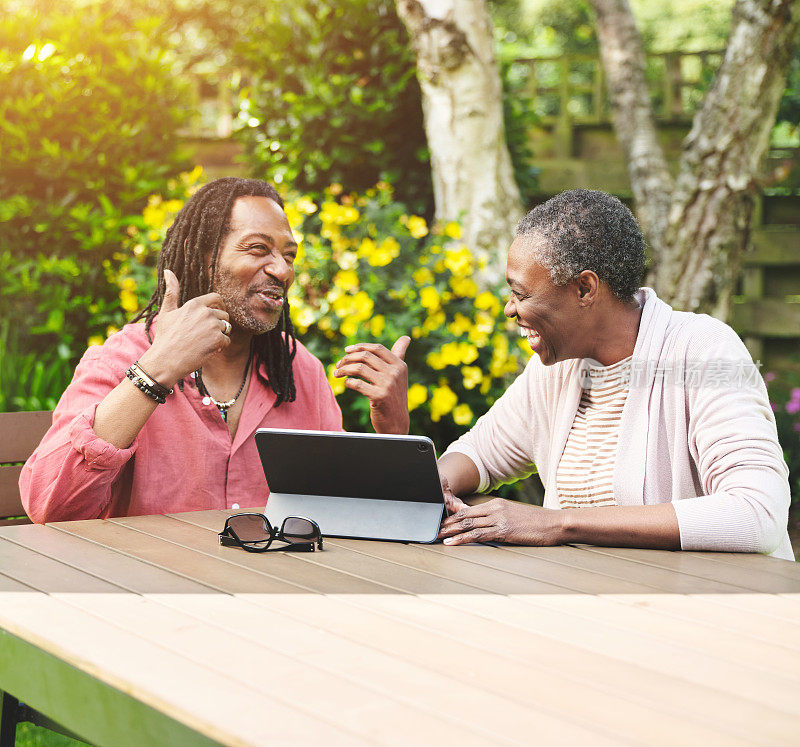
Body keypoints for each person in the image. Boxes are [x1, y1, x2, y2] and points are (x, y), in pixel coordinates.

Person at [21, 177, 410, 523]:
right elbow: (50, 508)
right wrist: (155, 372)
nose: (283, 270)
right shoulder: (122, 359)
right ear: (201, 251)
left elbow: (343, 514)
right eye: (258, 249)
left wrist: (393, 432)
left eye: (289, 255)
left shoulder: (297, 371)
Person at [438, 189, 794, 560]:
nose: (510, 309)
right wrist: (435, 481)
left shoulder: (703, 350)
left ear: (585, 288)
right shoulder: (555, 369)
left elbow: (757, 513)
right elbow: (478, 453)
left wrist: (556, 523)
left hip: (714, 606)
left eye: (521, 294)